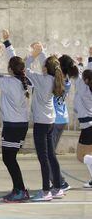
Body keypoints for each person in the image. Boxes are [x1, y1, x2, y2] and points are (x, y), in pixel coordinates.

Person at [0, 29, 31, 202]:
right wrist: (7, 42)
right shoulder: (26, 81)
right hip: (21, 124)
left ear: (10, 69)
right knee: (10, 158)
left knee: (9, 158)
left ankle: (20, 190)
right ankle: (18, 188)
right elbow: (16, 61)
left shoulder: (9, 83)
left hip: (13, 126)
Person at [26, 43, 65, 201]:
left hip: (42, 124)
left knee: (43, 158)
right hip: (50, 121)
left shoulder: (41, 80)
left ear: (45, 68)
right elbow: (50, 63)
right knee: (51, 156)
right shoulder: (52, 78)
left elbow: (25, 69)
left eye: (43, 65)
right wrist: (41, 52)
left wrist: (33, 55)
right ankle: (57, 188)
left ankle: (46, 191)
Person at [49, 54, 79, 191]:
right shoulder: (66, 80)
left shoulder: (58, 81)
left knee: (49, 154)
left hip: (56, 120)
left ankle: (60, 182)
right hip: (61, 119)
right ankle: (57, 180)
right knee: (49, 153)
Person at [73, 47, 92, 189]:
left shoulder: (84, 90)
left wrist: (78, 65)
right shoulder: (87, 88)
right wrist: (89, 58)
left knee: (81, 157)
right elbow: (85, 75)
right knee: (89, 155)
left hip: (88, 127)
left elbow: (78, 77)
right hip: (89, 126)